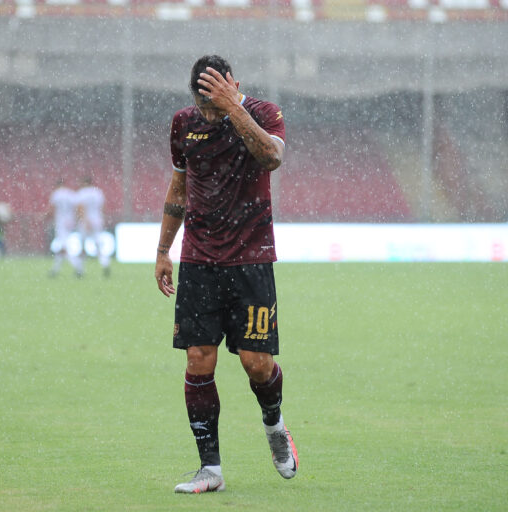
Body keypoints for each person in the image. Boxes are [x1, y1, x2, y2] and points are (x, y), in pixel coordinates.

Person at [154, 55, 298, 494]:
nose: (210, 115)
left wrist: (232, 107)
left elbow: (271, 157)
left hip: (252, 258)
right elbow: (179, 187)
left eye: (215, 104)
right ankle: (210, 470)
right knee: (198, 360)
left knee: (256, 364)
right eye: (205, 107)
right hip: (199, 259)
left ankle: (274, 425)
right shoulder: (183, 124)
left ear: (234, 83)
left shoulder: (264, 113)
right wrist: (163, 249)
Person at [75, 176, 111, 277]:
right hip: (97, 220)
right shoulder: (98, 192)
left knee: (82, 246)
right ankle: (105, 264)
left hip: (86, 221)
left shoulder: (81, 193)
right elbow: (102, 207)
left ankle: (80, 269)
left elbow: (81, 208)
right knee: (98, 245)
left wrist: (85, 220)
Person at [48, 178, 83, 277]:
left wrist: (45, 216)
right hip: (70, 222)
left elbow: (52, 209)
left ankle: (78, 267)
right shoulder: (71, 193)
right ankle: (55, 270)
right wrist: (77, 219)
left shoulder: (56, 194)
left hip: (61, 223)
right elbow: (78, 207)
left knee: (64, 248)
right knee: (61, 247)